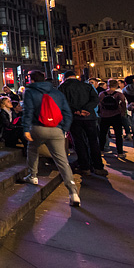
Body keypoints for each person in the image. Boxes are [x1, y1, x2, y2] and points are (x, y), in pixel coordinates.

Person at [21, 70, 80, 206]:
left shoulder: (30, 92)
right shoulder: (57, 92)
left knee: (33, 148)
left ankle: (33, 175)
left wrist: (26, 129)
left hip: (38, 128)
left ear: (32, 80)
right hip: (56, 129)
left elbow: (28, 112)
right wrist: (63, 129)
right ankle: (73, 192)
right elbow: (67, 112)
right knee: (62, 161)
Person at [59, 71, 106, 177]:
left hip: (74, 118)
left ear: (65, 78)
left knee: (79, 142)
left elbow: (63, 102)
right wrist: (86, 109)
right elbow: (95, 99)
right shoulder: (87, 86)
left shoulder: (62, 88)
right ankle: (98, 166)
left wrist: (77, 111)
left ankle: (84, 166)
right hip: (89, 117)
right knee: (93, 141)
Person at [97, 79, 127, 155]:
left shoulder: (102, 94)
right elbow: (123, 103)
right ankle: (120, 152)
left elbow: (99, 104)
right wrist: (123, 112)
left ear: (108, 85)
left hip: (104, 116)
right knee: (118, 134)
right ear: (117, 85)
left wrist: (100, 113)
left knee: (103, 134)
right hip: (116, 115)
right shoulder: (118, 94)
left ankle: (101, 150)